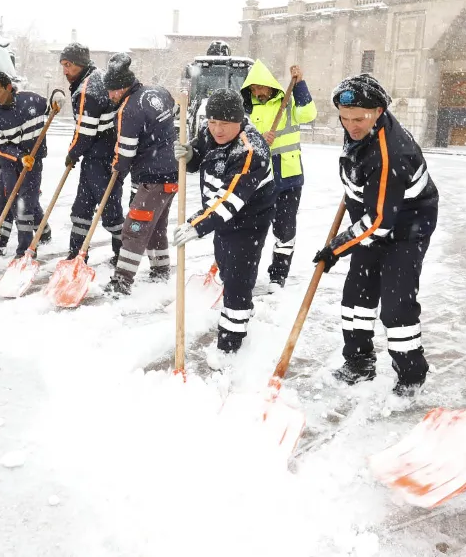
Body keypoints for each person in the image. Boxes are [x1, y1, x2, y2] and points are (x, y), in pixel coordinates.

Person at [312, 75, 439, 397]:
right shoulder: (360, 131)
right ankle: (358, 361)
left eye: (359, 118)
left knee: (396, 306)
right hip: (373, 216)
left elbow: (380, 223)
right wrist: (356, 194)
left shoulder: (391, 152)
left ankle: (410, 373)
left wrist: (336, 248)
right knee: (356, 297)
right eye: (344, 117)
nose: (350, 125)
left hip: (406, 227)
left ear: (379, 111)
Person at [173, 89, 276, 366]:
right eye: (212, 122)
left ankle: (230, 345)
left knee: (238, 280)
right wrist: (191, 154)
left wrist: (196, 225)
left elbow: (230, 201)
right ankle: (241, 309)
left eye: (224, 124)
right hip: (221, 218)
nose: (216, 129)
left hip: (248, 221)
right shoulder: (211, 132)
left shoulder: (250, 149)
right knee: (226, 265)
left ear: (240, 121)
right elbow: (199, 158)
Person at [102, 53, 179, 296]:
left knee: (134, 227)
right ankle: (161, 269)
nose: (110, 96)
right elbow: (175, 111)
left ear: (124, 86)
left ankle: (122, 281)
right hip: (173, 172)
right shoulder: (158, 92)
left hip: (152, 177)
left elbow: (125, 152)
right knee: (156, 226)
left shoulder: (129, 110)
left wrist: (117, 170)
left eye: (113, 90)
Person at [239, 61, 318, 293]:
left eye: (259, 88)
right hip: (259, 178)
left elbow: (309, 114)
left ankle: (278, 276)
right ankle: (245, 274)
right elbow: (238, 139)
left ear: (269, 86)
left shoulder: (290, 101)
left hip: (288, 177)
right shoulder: (247, 110)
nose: (256, 93)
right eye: (252, 90)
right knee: (253, 230)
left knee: (284, 230)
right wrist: (258, 139)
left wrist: (300, 84)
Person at [60, 43, 124, 263]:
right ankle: (77, 252)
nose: (65, 71)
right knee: (82, 206)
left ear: (81, 64)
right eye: (62, 65)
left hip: (102, 157)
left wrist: (72, 152)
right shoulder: (95, 79)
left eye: (68, 65)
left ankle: (123, 252)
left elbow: (85, 131)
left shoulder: (88, 88)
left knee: (109, 210)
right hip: (96, 155)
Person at [0, 71, 49, 257]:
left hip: (34, 162)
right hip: (11, 164)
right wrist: (20, 156)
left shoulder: (31, 100)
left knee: (26, 204)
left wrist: (56, 100)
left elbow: (51, 105)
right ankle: (37, 234)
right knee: (13, 204)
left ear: (9, 88)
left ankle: (25, 250)